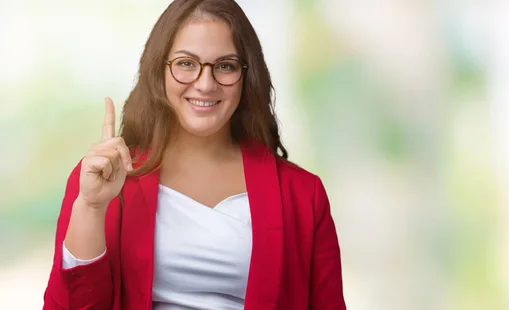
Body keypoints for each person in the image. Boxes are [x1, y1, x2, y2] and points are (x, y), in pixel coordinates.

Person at [42, 0, 346, 309]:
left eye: (225, 66)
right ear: (158, 69)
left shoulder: (303, 195)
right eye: (186, 63)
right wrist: (92, 207)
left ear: (246, 76)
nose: (205, 84)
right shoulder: (104, 177)